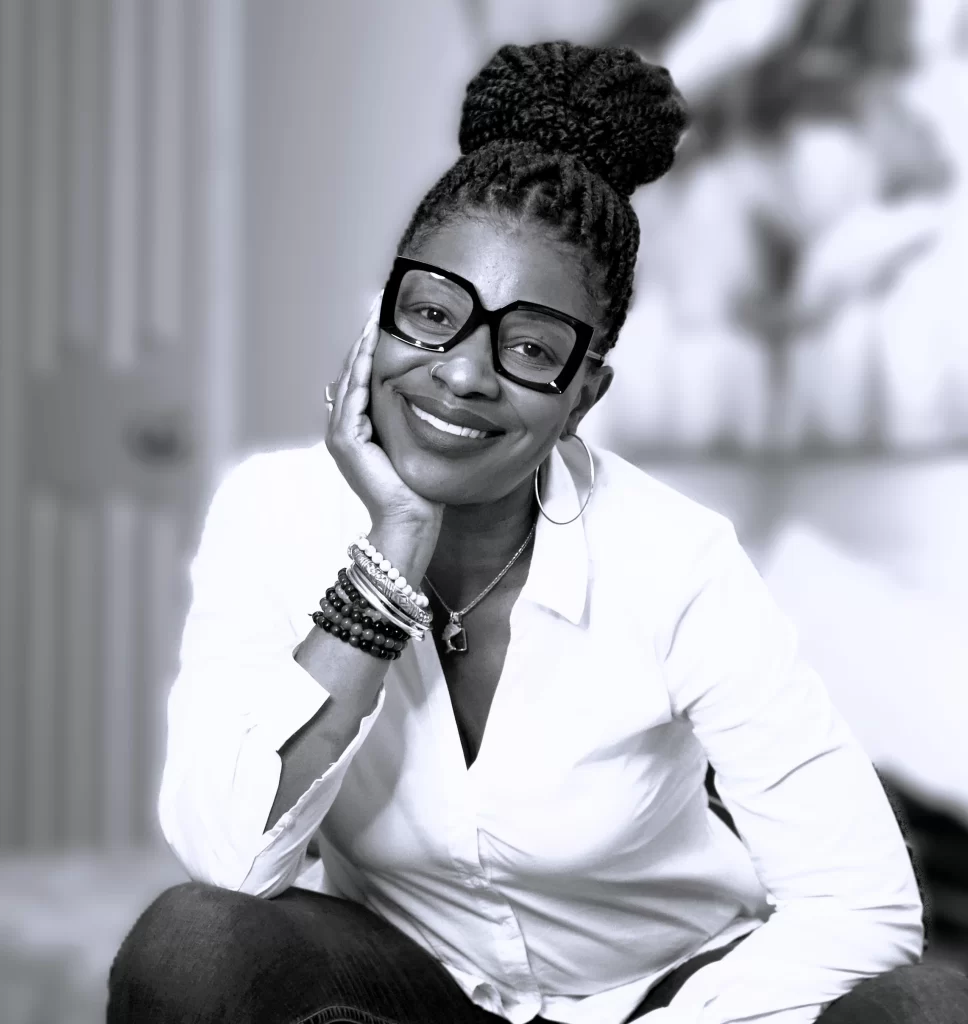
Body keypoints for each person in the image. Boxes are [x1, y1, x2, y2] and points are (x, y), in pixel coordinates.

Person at [107, 42, 968, 1024]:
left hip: (664, 991)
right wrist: (388, 556)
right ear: (378, 324)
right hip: (414, 986)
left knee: (928, 1009)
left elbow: (864, 902)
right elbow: (229, 857)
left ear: (582, 395)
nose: (462, 373)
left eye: (527, 347)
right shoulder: (273, 513)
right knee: (194, 947)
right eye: (431, 313)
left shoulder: (675, 560)